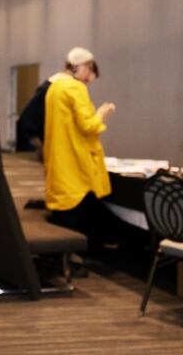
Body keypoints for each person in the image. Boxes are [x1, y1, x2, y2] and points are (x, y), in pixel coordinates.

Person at [43, 47, 115, 245]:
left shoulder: (54, 87)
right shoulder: (75, 88)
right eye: (90, 73)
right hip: (75, 163)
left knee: (62, 217)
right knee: (77, 217)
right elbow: (88, 126)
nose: (88, 80)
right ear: (83, 67)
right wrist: (102, 113)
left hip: (59, 161)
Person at [15, 49, 99, 158]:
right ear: (78, 67)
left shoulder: (59, 86)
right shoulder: (55, 87)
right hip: (43, 149)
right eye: (88, 71)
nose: (86, 81)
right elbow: (27, 122)